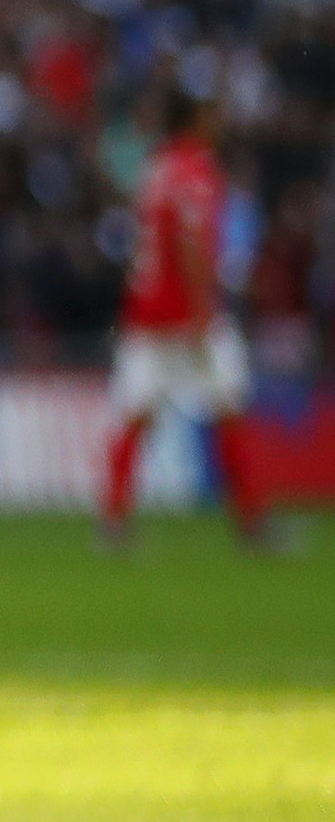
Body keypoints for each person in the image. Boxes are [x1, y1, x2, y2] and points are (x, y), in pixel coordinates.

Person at [102, 86, 279, 552]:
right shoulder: (195, 169)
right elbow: (191, 241)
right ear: (196, 121)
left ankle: (114, 523)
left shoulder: (155, 167)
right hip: (187, 314)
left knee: (136, 414)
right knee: (229, 407)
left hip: (146, 312)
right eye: (211, 116)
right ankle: (252, 522)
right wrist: (204, 310)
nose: (218, 124)